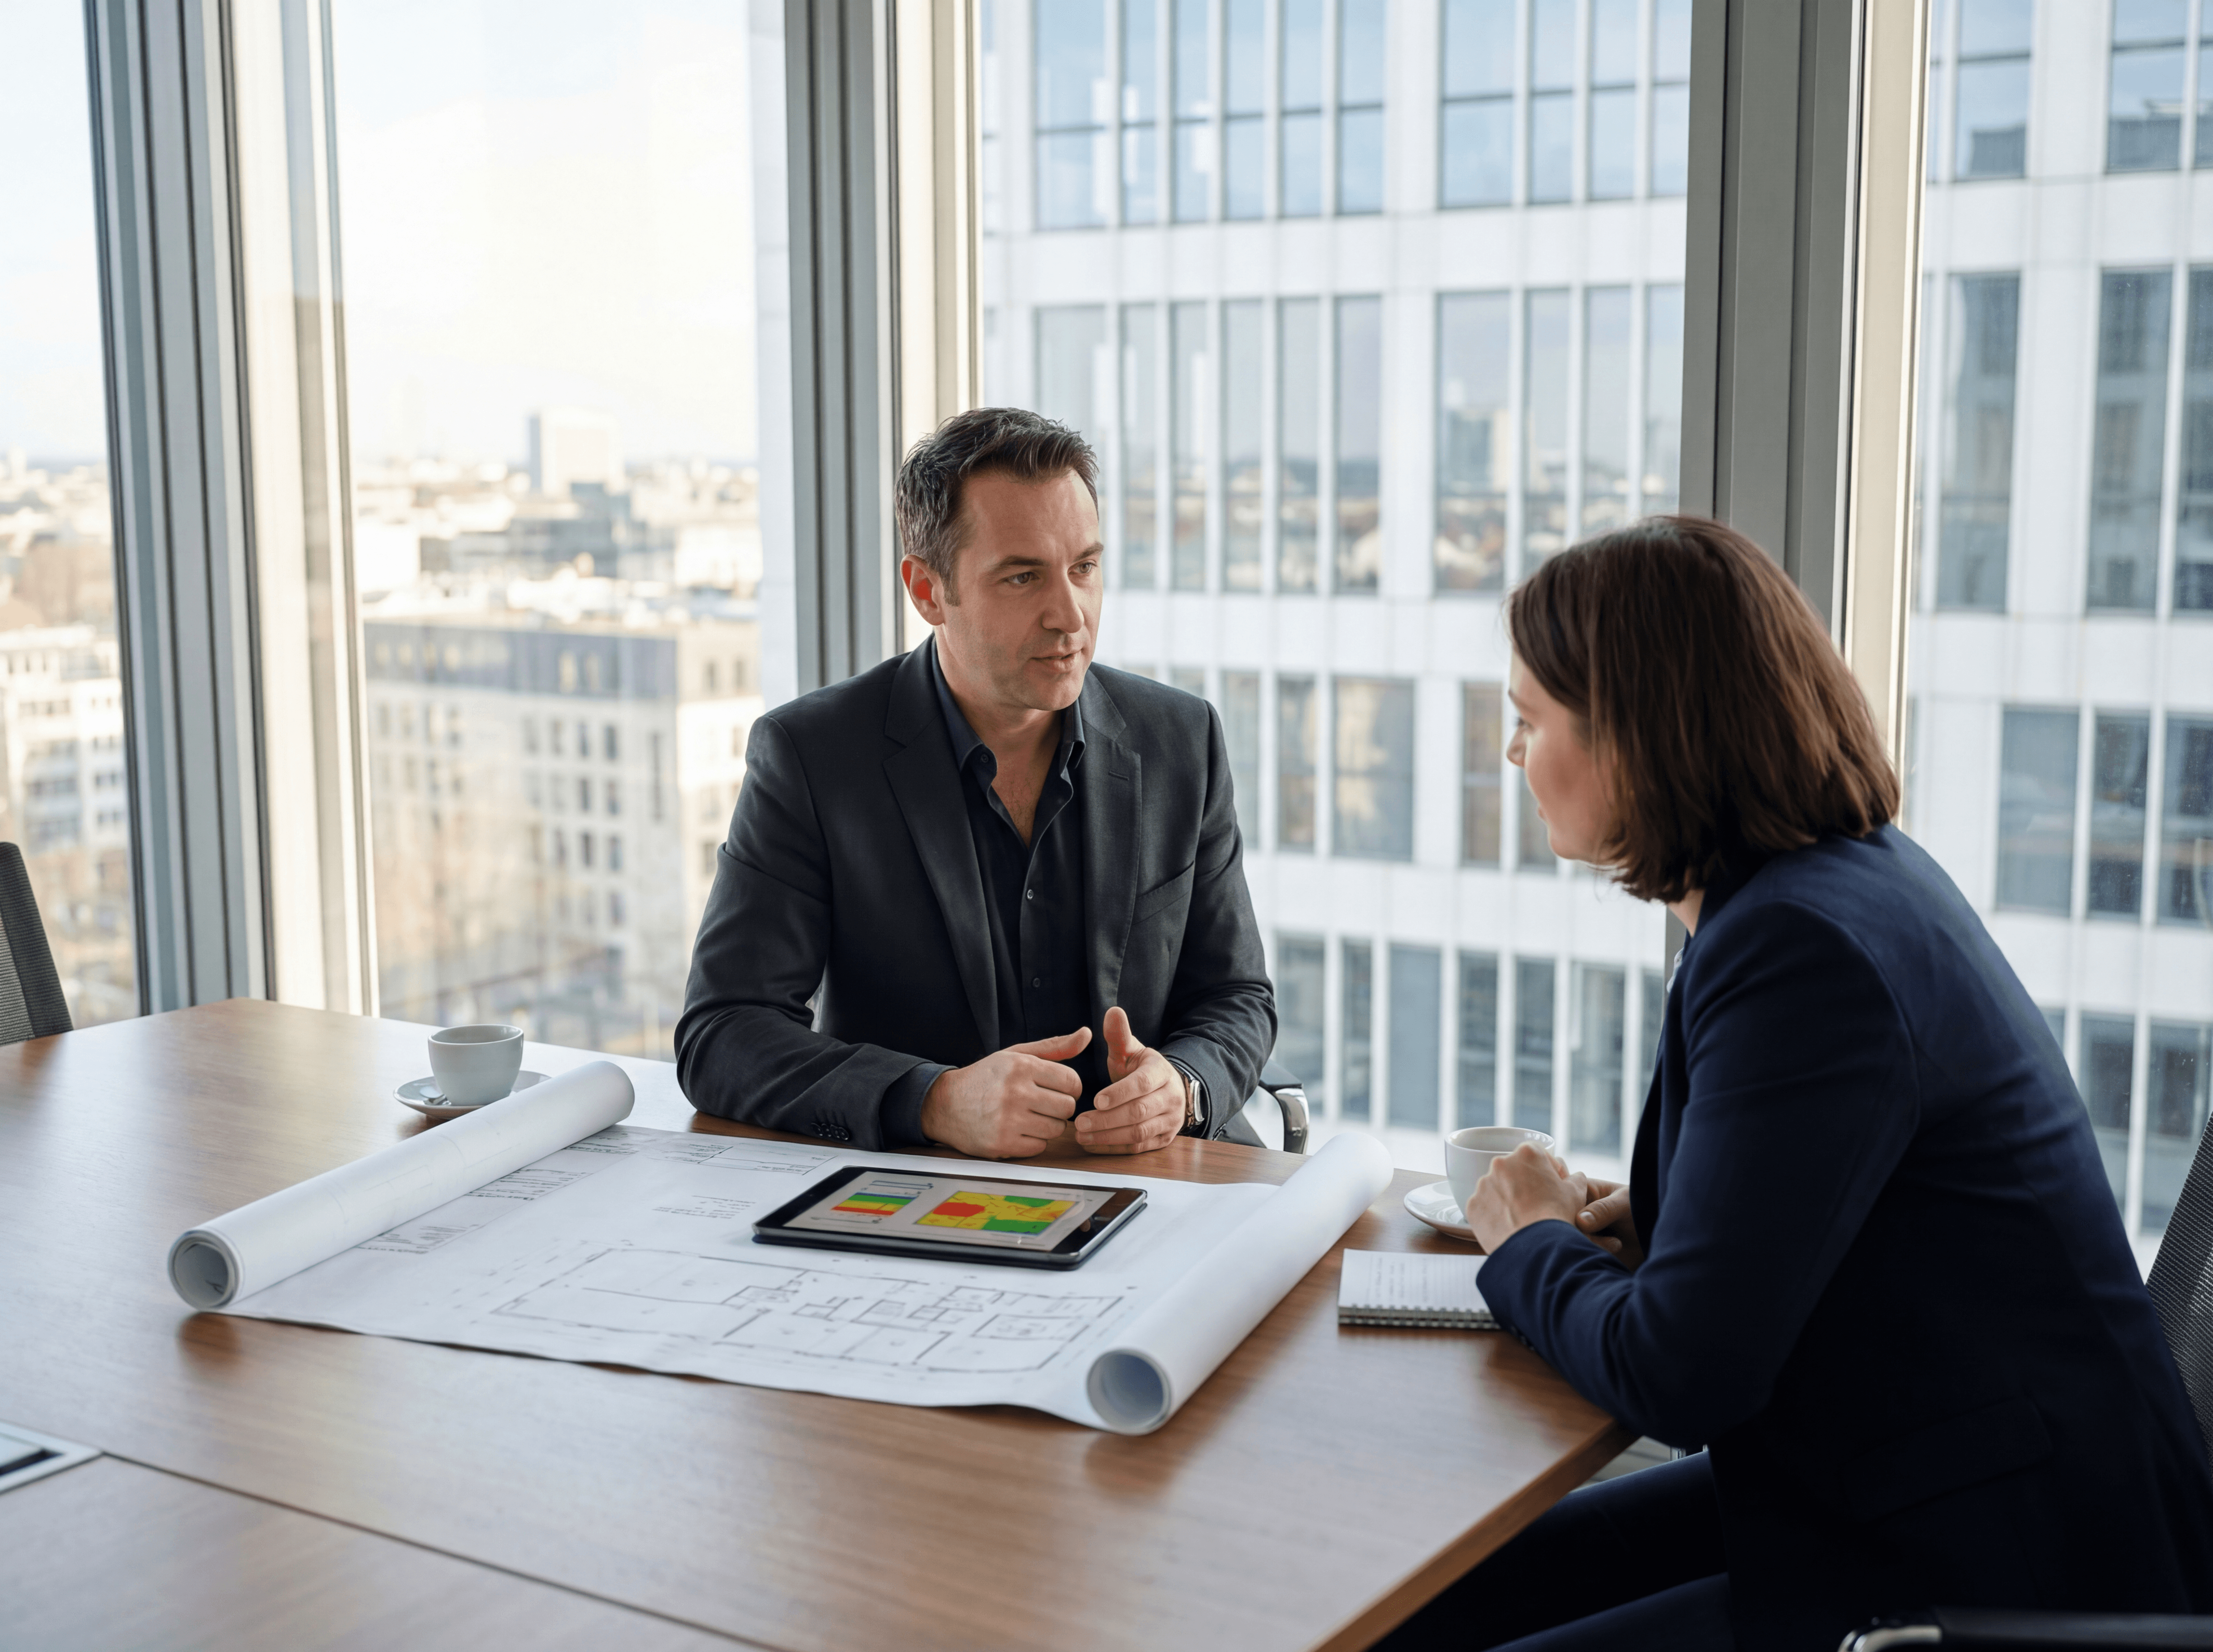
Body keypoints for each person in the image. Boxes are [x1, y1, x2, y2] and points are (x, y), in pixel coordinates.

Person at [1382, 518, 2213, 1651]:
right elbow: (1831, 1213)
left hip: (1989, 1573)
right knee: (1433, 1599)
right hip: (1896, 1479)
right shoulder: (1828, 888)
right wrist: (1667, 1225)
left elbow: (1676, 1380)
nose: (1513, 756)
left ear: (1641, 735)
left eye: (1530, 721)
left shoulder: (1800, 953)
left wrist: (1528, 1240)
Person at [675, 407, 1276, 1157]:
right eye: (1024, 577)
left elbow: (1237, 998)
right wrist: (934, 1100)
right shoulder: (812, 756)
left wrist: (1183, 1087)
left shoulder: (1182, 739)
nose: (1071, 615)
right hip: (925, 1194)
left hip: (1156, 1184)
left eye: (1085, 567)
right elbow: (722, 1034)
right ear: (928, 591)